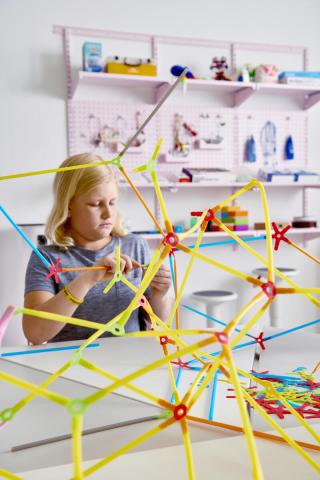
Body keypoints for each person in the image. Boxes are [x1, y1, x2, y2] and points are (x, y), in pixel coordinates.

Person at [23, 153, 172, 345]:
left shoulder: (135, 245)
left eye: (112, 202)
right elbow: (34, 333)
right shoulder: (46, 258)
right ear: (68, 206)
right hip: (70, 366)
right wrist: (88, 278)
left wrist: (160, 294)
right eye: (96, 204)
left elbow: (157, 322)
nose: (108, 213)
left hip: (131, 363)